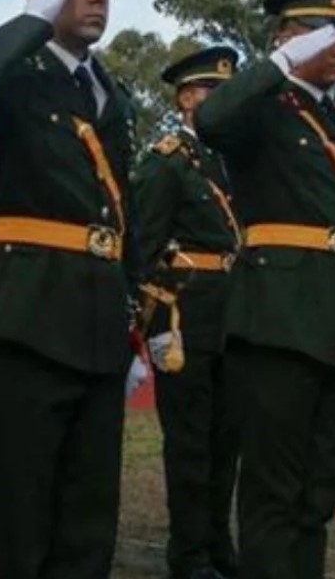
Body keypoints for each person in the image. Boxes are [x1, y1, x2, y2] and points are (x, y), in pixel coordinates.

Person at [0, 0, 142, 579]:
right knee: (18, 517)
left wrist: (134, 314)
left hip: (97, 324)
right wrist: (31, 18)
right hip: (24, 321)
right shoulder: (9, 71)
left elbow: (123, 213)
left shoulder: (110, 91)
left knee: (88, 522)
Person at [196, 0, 335, 579]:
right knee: (273, 496)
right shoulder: (262, 109)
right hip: (277, 324)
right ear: (285, 36)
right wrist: (278, 63)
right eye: (322, 33)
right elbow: (212, 119)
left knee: (316, 498)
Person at [132, 46, 244, 579]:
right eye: (212, 91)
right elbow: (143, 248)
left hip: (234, 316)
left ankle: (220, 546)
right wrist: (151, 328)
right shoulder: (166, 161)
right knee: (191, 446)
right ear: (185, 99)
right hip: (185, 320)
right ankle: (190, 554)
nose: (224, 102)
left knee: (228, 445)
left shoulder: (235, 161)